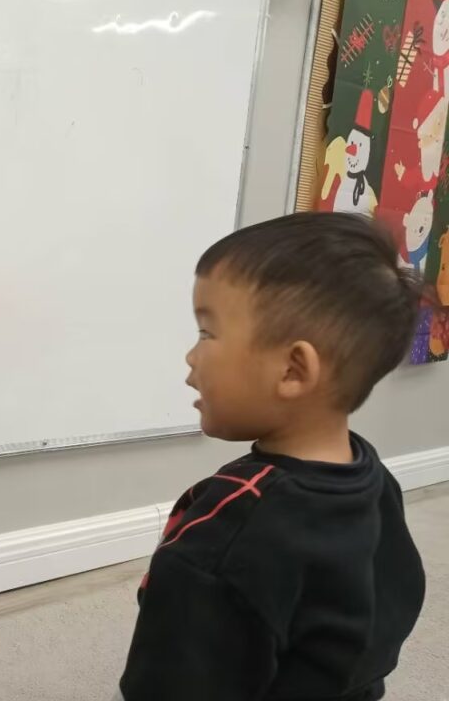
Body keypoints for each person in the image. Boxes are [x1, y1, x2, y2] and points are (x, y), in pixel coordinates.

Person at [117, 212, 427, 699]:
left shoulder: (226, 539)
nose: (191, 357)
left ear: (292, 370)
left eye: (206, 333)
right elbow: (394, 601)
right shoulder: (371, 476)